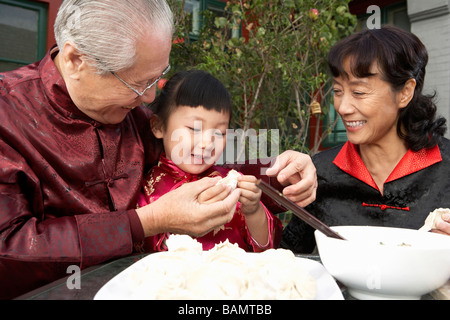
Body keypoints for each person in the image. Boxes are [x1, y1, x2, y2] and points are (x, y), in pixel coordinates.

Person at [0, 0, 317, 299]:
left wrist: (280, 176)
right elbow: (10, 249)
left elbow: (195, 161)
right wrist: (145, 222)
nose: (150, 98)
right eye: (137, 83)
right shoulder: (7, 114)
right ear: (75, 60)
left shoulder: (133, 115)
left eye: (157, 77)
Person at [282, 25, 450, 253]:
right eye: (338, 91)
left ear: (405, 92)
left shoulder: (445, 167)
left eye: (359, 92)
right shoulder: (321, 171)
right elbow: (289, 257)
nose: (343, 107)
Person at [136, 70, 283, 252]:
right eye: (194, 128)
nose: (207, 143)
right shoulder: (145, 189)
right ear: (159, 126)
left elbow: (267, 250)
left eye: (219, 133)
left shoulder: (233, 185)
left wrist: (253, 211)